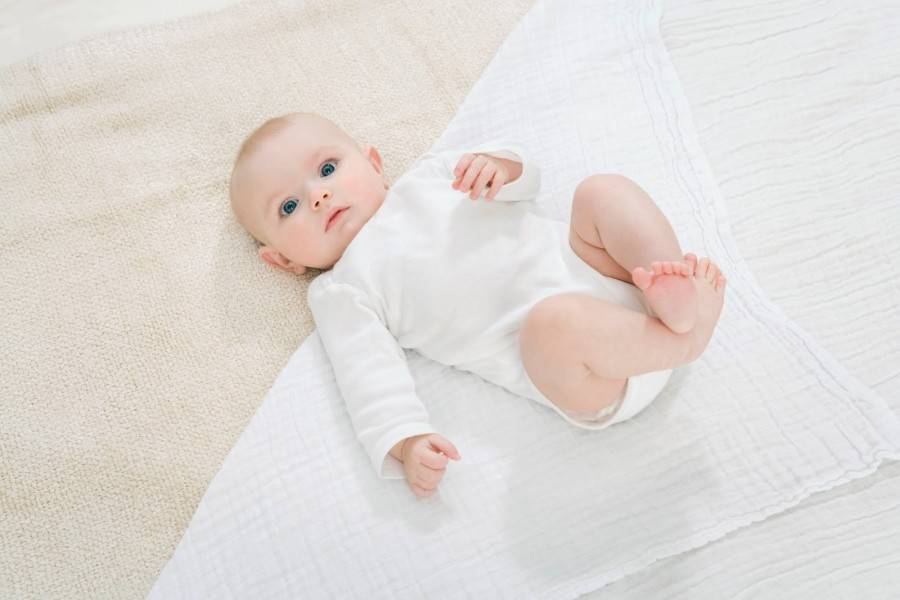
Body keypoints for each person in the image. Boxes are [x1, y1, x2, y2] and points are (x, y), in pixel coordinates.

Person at [229, 112, 726, 499]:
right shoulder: (342, 289)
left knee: (601, 191)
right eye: (289, 207)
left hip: (608, 272)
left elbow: (527, 179)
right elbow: (365, 373)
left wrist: (501, 169)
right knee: (553, 323)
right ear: (283, 260)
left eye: (327, 169)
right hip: (591, 370)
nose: (318, 195)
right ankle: (683, 340)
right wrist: (405, 439)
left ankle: (672, 290)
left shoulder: (433, 175)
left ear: (374, 163)